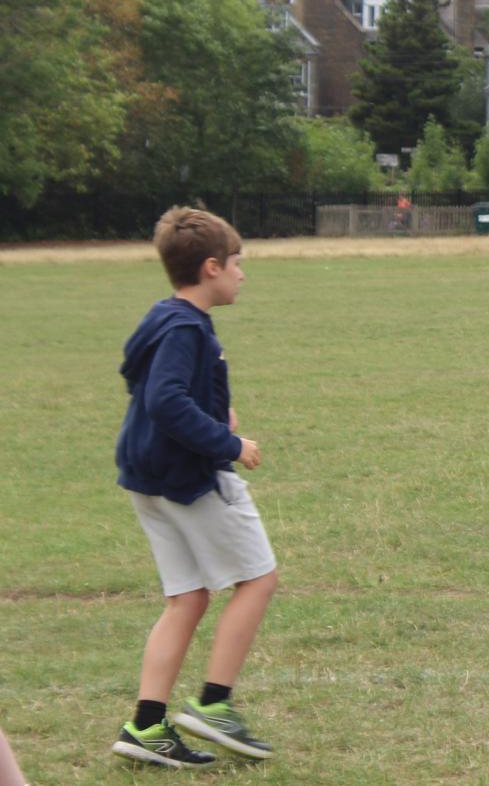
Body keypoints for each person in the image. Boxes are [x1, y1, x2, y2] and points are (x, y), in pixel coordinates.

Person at [111, 207, 278, 768]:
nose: (242, 275)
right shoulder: (186, 327)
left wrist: (212, 409)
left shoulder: (163, 317)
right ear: (211, 268)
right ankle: (213, 704)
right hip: (187, 479)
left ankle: (147, 725)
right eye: (237, 264)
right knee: (258, 579)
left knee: (187, 597)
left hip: (146, 478)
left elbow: (144, 381)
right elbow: (164, 400)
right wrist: (228, 444)